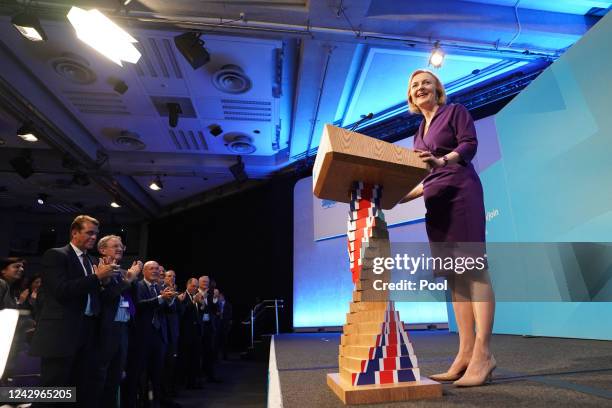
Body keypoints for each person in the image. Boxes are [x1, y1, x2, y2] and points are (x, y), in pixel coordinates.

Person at [402, 69, 496, 387]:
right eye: (415, 85)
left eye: (426, 82)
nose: (420, 87)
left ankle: (484, 353)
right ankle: (465, 353)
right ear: (411, 96)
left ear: (438, 89)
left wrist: (443, 161)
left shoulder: (455, 112)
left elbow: (468, 146)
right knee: (455, 279)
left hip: (461, 193)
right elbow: (426, 177)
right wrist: (399, 197)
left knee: (473, 271)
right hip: (436, 203)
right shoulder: (418, 134)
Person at [30, 215, 117, 405]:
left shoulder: (92, 260)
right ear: (75, 232)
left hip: (87, 332)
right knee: (52, 392)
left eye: (96, 234)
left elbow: (94, 294)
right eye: (89, 233)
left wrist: (105, 282)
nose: (93, 237)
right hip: (61, 334)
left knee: (77, 389)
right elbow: (61, 291)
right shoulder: (56, 255)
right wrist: (96, 278)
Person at [94, 235, 142, 408]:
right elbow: (105, 297)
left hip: (122, 329)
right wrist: (128, 280)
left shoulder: (122, 272)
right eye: (115, 246)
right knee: (99, 380)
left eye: (122, 246)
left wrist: (132, 278)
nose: (120, 248)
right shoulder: (97, 268)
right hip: (103, 332)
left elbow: (131, 301)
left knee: (115, 380)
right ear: (102, 249)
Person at [123, 260, 176, 408]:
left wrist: (170, 300)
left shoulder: (160, 287)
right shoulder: (137, 285)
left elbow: (169, 311)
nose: (155, 271)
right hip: (141, 338)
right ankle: (136, 403)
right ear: (144, 272)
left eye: (157, 269)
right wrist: (160, 299)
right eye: (151, 268)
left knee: (157, 374)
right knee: (138, 375)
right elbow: (139, 306)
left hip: (159, 337)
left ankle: (154, 403)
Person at [178, 278, 202, 389]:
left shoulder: (196, 297)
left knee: (194, 359)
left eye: (197, 287)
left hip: (196, 334)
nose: (195, 288)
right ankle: (184, 383)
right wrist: (193, 302)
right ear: (187, 285)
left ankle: (193, 382)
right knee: (185, 360)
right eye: (193, 286)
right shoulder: (183, 296)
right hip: (185, 334)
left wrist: (200, 305)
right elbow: (182, 313)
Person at [197, 275, 219, 382]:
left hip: (209, 327)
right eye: (203, 282)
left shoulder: (212, 294)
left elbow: (215, 310)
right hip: (198, 327)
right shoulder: (195, 293)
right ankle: (199, 375)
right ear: (199, 282)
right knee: (198, 352)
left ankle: (210, 375)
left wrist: (215, 298)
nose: (206, 283)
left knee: (209, 351)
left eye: (207, 282)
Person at [217, 291, 232, 360]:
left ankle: (225, 356)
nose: (218, 298)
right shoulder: (217, 304)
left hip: (225, 325)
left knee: (225, 341)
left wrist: (223, 316)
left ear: (222, 297)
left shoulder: (228, 305)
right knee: (218, 340)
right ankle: (217, 356)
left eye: (219, 297)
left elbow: (229, 315)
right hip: (218, 325)